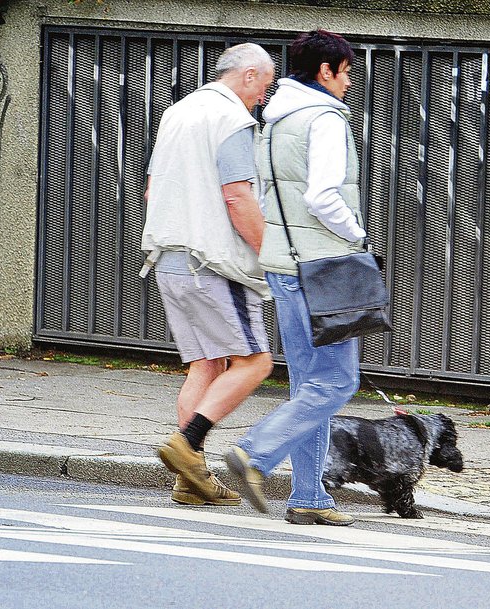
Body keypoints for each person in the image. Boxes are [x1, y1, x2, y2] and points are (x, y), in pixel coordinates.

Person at [223, 30, 365, 526]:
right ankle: (254, 454)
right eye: (346, 72)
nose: (349, 82)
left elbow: (266, 197)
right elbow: (324, 196)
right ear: (326, 70)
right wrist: (360, 235)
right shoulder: (324, 119)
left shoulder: (272, 120)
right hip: (322, 265)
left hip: (284, 264)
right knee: (340, 380)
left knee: (310, 385)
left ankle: (309, 496)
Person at [142, 43, 276, 506]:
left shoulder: (177, 113)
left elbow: (154, 185)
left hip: (169, 256)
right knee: (256, 361)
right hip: (213, 262)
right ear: (248, 75)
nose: (265, 95)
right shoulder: (231, 119)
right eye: (265, 84)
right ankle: (188, 443)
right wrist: (273, 254)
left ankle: (189, 480)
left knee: (206, 364)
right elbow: (238, 198)